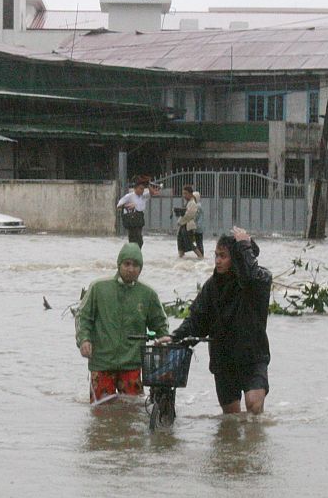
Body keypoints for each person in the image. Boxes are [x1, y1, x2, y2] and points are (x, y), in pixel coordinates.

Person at [159, 226, 272, 415]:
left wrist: (244, 246)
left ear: (236, 258)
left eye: (223, 256)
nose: (218, 261)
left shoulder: (260, 279)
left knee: (254, 405)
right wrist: (174, 337)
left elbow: (250, 278)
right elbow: (197, 320)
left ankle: (255, 442)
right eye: (216, 255)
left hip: (252, 356)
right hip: (223, 359)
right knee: (231, 420)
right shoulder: (212, 287)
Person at [75, 242, 169, 404]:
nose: (131, 269)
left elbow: (160, 324)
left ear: (141, 268)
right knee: (100, 413)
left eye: (135, 265)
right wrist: (84, 339)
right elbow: (83, 317)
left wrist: (165, 340)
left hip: (132, 363)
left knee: (133, 413)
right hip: (102, 362)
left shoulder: (148, 294)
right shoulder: (98, 288)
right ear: (119, 265)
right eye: (127, 264)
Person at [116, 176, 160, 248]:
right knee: (134, 239)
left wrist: (148, 185)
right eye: (140, 189)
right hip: (132, 219)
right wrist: (129, 205)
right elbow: (119, 205)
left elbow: (152, 193)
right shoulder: (129, 196)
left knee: (139, 239)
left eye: (143, 189)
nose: (142, 191)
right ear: (135, 188)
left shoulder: (143, 196)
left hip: (140, 218)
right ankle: (134, 253)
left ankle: (136, 253)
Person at [177, 185, 203, 258]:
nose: (184, 195)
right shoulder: (188, 203)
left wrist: (180, 221)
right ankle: (180, 258)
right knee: (180, 243)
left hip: (188, 226)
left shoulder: (193, 203)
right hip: (183, 226)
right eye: (183, 193)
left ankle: (200, 257)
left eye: (186, 193)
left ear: (191, 194)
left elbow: (189, 215)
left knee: (189, 243)